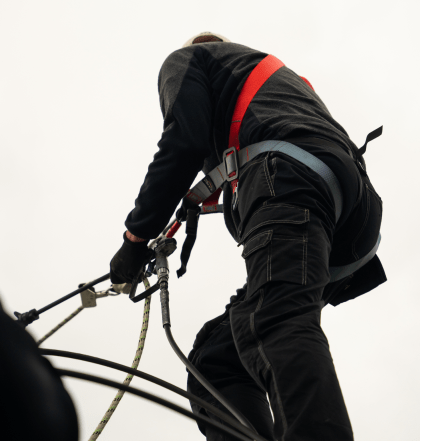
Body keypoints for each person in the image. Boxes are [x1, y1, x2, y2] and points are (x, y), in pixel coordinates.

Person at [110, 32, 386, 441]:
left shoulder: (189, 60)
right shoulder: (277, 93)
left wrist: (135, 240)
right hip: (351, 217)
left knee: (274, 318)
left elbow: (183, 141)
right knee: (217, 360)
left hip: (292, 179)